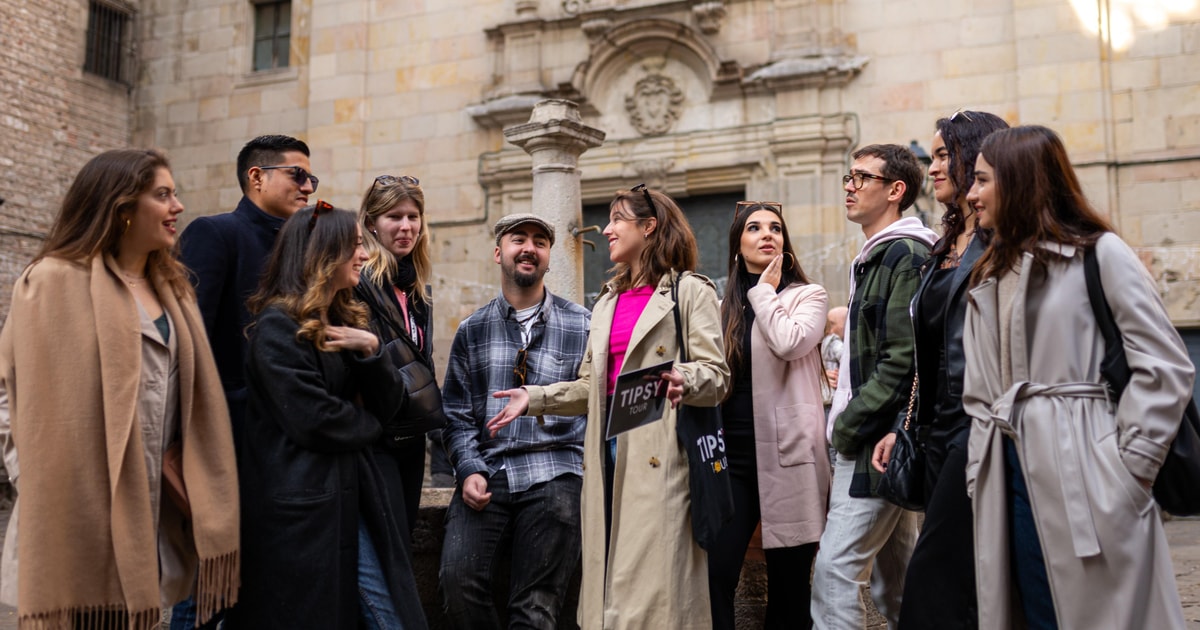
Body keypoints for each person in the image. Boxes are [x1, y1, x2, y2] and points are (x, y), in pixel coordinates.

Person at [961, 125, 1193, 630]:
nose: (971, 194)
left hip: (1089, 474)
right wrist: (982, 470)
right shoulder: (989, 276)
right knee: (1034, 611)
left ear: (1019, 181)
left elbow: (1165, 364)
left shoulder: (1100, 253)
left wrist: (1128, 472)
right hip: (1009, 474)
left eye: (981, 180)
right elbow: (980, 395)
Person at [0, 149, 240, 628]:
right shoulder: (50, 281)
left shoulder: (176, 290)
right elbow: (9, 393)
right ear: (121, 205)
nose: (178, 207)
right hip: (74, 514)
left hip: (151, 514)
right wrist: (42, 481)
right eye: (163, 195)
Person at [489, 185, 731, 629]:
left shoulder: (690, 292)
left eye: (618, 219)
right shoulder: (605, 302)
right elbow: (590, 387)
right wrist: (535, 397)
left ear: (649, 226)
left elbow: (717, 376)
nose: (607, 228)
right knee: (612, 594)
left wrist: (684, 377)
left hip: (663, 457)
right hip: (605, 456)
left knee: (657, 598)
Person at [227, 203, 426, 629]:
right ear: (323, 252)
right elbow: (314, 418)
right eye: (355, 245)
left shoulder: (343, 322)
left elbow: (390, 404)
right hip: (306, 510)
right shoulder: (277, 327)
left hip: (352, 494)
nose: (366, 254)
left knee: (388, 613)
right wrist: (370, 425)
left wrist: (372, 354)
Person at [870, 110, 1008, 629]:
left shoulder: (1001, 243)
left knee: (930, 580)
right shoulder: (942, 245)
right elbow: (926, 351)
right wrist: (903, 425)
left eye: (945, 154)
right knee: (966, 582)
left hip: (979, 427)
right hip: (935, 430)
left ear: (978, 156)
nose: (934, 166)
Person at [173, 133, 316, 628]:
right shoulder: (215, 233)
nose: (308, 187)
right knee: (207, 585)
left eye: (311, 178)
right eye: (298, 175)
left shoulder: (303, 247)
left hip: (285, 448)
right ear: (257, 177)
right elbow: (187, 341)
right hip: (225, 441)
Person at [438, 213, 591, 629]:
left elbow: (595, 400)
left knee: (536, 608)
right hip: (489, 473)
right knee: (457, 585)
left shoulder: (583, 323)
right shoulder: (473, 329)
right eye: (518, 239)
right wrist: (468, 469)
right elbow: (455, 414)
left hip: (556, 471)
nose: (529, 248)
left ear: (548, 257)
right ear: (498, 252)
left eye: (540, 242)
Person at [812, 144, 937, 629]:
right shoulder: (879, 254)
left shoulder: (903, 253)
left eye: (862, 178)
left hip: (876, 442)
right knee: (898, 584)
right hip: (885, 438)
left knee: (834, 573)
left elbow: (902, 359)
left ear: (895, 190)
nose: (849, 185)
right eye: (849, 176)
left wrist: (847, 425)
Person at [707, 201, 830, 630]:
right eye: (754, 227)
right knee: (715, 574)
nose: (767, 234)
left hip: (789, 455)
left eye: (775, 228)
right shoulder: (720, 307)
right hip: (732, 461)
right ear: (737, 246)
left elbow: (790, 342)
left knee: (790, 590)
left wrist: (763, 291)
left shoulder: (808, 296)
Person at [354, 174, 447, 544]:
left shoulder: (416, 291)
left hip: (410, 438)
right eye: (394, 216)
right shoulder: (358, 283)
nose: (406, 226)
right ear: (372, 223)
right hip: (374, 439)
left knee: (403, 540)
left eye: (413, 216)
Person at [822, 306, 847, 407]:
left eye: (833, 323)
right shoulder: (833, 341)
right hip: (833, 396)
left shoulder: (825, 341)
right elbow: (845, 358)